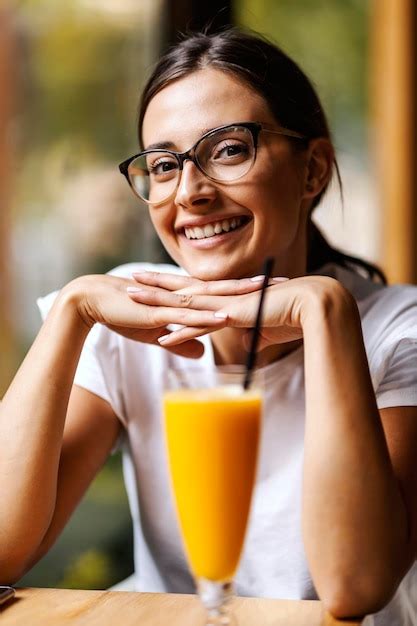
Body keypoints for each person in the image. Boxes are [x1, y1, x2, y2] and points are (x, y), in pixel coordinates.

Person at [1, 28, 417, 625]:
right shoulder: (129, 313)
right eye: (164, 165)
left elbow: (354, 588)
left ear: (313, 170)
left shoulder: (399, 332)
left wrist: (324, 314)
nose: (190, 192)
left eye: (228, 150)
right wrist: (72, 309)